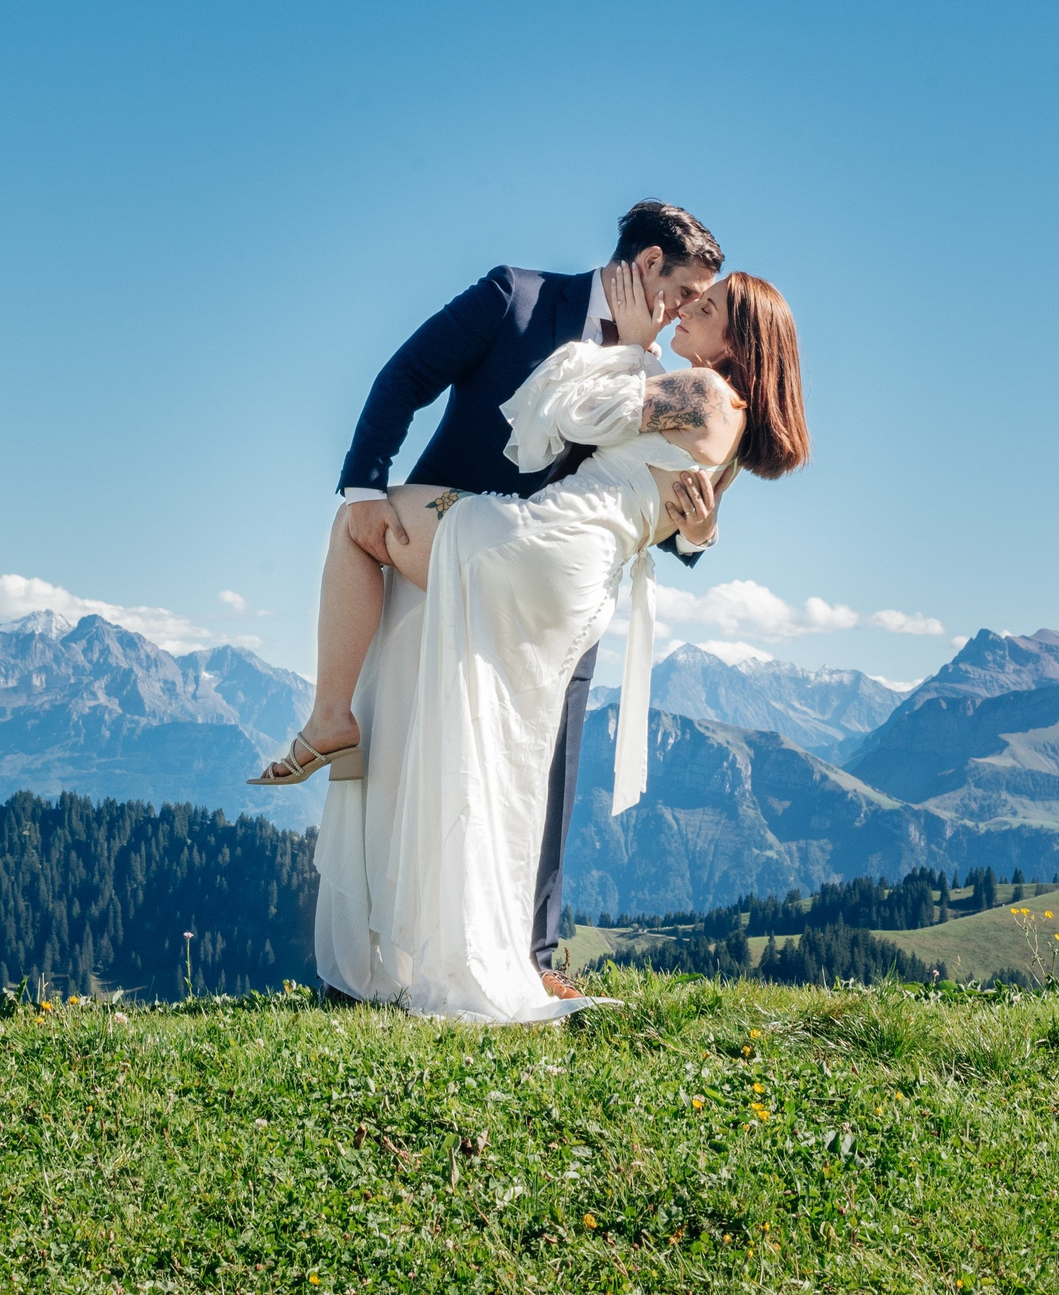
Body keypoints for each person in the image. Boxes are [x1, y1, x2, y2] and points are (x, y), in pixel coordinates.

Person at [299, 267, 807, 1022]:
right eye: (693, 295)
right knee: (497, 752)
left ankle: (331, 717)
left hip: (535, 548)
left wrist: (630, 349)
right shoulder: (726, 427)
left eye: (709, 306)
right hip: (578, 585)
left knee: (358, 522)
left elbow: (570, 410)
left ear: (741, 340)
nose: (687, 310)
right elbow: (681, 519)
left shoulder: (695, 392)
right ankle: (471, 947)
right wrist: (703, 528)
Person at [256, 200, 726, 988]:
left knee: (549, 762)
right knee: (408, 744)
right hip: (447, 544)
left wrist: (697, 536)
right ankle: (387, 958)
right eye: (684, 293)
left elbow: (657, 494)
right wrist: (367, 486)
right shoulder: (517, 297)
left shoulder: (661, 372)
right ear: (648, 267)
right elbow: (405, 373)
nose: (682, 315)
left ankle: (531, 955)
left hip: (554, 584)